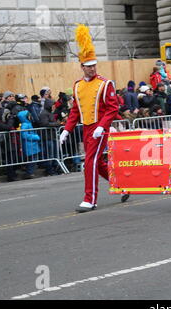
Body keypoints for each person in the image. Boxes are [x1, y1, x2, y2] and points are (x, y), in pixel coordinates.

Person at [59, 24, 126, 213]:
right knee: (98, 163)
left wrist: (102, 126)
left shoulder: (105, 84)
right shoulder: (77, 85)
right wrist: (67, 129)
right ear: (81, 67)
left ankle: (90, 199)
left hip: (99, 128)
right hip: (86, 128)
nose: (92, 69)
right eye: (88, 66)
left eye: (94, 65)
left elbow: (113, 108)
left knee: (89, 162)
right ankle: (121, 183)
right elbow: (75, 111)